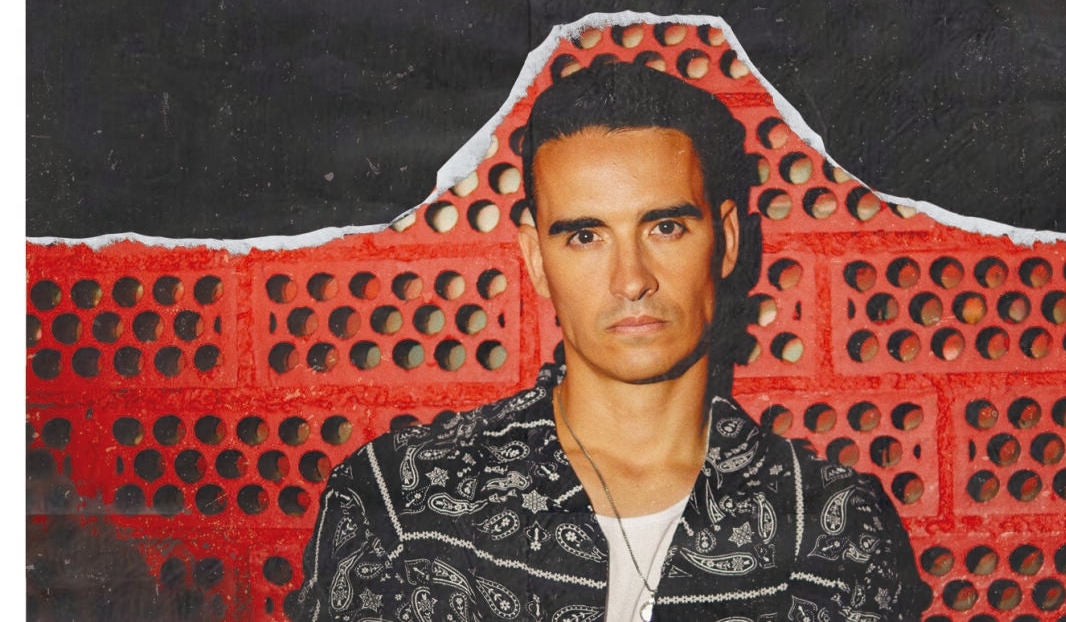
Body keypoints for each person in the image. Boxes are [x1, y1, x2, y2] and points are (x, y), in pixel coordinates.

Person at [286, 62, 931, 621]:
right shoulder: (400, 500)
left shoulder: (830, 524)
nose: (632, 280)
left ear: (728, 240)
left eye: (666, 227)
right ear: (536, 260)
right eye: (585, 236)